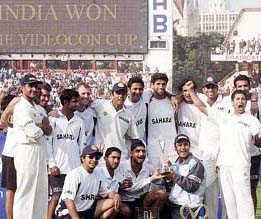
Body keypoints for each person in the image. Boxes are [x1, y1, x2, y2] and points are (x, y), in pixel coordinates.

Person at [188, 81, 261, 219]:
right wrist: (191, 92)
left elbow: (258, 137)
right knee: (229, 200)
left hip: (241, 164)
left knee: (243, 199)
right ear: (232, 102)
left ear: (246, 102)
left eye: (243, 99)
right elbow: (202, 107)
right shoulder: (223, 117)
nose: (240, 102)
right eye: (237, 99)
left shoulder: (252, 120)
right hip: (224, 164)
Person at [12, 74, 52, 219]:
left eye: (36, 86)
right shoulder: (21, 107)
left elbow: (50, 130)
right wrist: (41, 126)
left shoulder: (39, 108)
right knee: (26, 190)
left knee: (40, 192)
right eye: (30, 86)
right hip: (27, 150)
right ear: (22, 88)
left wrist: (40, 126)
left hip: (40, 150)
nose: (34, 89)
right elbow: (32, 132)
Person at [47, 89, 87, 219]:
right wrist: (52, 165)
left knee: (71, 199)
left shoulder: (79, 122)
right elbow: (48, 144)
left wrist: (81, 166)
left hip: (74, 169)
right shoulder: (53, 119)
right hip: (57, 168)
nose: (78, 104)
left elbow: (82, 145)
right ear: (65, 102)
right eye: (74, 102)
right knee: (56, 198)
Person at [55, 145, 121, 219]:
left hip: (86, 212)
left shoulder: (98, 175)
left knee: (114, 203)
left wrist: (116, 196)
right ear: (83, 158)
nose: (94, 160)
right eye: (91, 157)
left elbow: (108, 192)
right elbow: (68, 201)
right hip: (67, 213)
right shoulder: (74, 175)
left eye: (97, 158)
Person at [198, 77, 228, 219]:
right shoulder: (200, 102)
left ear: (217, 87)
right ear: (203, 90)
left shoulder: (226, 102)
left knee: (227, 191)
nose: (210, 90)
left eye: (213, 87)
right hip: (207, 153)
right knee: (210, 191)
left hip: (224, 152)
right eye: (207, 87)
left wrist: (253, 98)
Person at [117, 139, 167, 219]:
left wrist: (165, 175)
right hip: (125, 200)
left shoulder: (149, 167)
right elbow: (130, 189)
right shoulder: (121, 167)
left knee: (162, 194)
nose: (141, 154)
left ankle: (150, 217)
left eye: (143, 151)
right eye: (138, 151)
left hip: (142, 199)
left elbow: (158, 181)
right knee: (126, 211)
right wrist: (150, 179)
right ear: (131, 153)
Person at [90, 82, 139, 160]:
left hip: (120, 157)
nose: (121, 96)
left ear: (127, 95)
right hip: (101, 155)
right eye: (118, 93)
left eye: (123, 94)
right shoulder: (100, 105)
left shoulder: (129, 114)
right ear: (112, 94)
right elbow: (85, 103)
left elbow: (134, 137)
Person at [167, 134, 205, 219]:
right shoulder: (175, 163)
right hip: (174, 203)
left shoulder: (196, 163)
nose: (183, 148)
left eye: (185, 144)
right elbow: (174, 186)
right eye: (179, 145)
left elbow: (192, 186)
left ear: (189, 146)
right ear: (175, 148)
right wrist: (167, 178)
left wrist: (173, 175)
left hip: (188, 207)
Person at [146, 73, 178, 168]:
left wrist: (172, 96)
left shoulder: (173, 102)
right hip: (153, 149)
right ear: (152, 85)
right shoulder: (147, 101)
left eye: (163, 84)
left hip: (172, 150)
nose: (161, 86)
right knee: (155, 179)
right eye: (158, 84)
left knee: (173, 179)